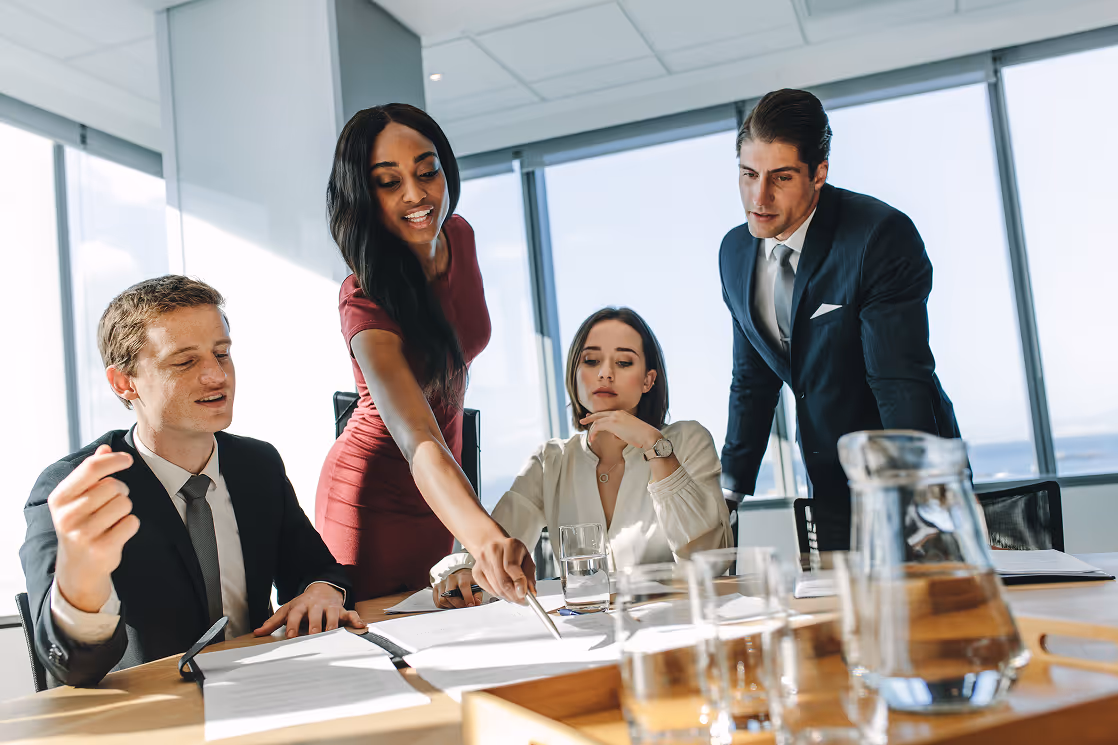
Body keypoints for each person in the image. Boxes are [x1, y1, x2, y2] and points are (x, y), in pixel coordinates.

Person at [20, 276, 363, 687]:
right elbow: (71, 668)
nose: (216, 376)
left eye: (222, 353)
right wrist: (81, 581)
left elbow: (313, 568)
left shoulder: (257, 464)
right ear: (124, 383)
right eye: (184, 362)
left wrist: (323, 589)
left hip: (269, 691)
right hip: (151, 715)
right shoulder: (76, 490)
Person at [719, 89, 961, 551]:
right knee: (845, 619)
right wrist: (729, 491)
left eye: (781, 178)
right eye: (748, 174)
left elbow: (896, 380)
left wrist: (920, 500)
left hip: (908, 478)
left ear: (819, 174)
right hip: (828, 485)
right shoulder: (734, 253)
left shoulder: (877, 236)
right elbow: (751, 381)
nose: (759, 196)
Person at [316, 104, 534, 603]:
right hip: (372, 501)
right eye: (389, 182)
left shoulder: (460, 236)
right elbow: (417, 437)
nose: (416, 194)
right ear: (363, 197)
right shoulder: (363, 298)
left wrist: (474, 530)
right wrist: (486, 540)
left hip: (439, 492)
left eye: (426, 171)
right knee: (383, 648)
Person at [432, 308, 732, 608]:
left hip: (677, 630)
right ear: (574, 375)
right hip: (586, 636)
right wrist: (461, 570)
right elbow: (495, 547)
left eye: (624, 362)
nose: (605, 373)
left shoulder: (688, 440)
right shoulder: (550, 461)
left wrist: (654, 446)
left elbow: (712, 563)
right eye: (591, 361)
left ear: (648, 380)